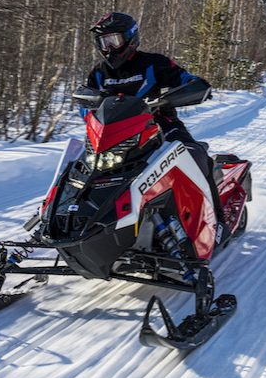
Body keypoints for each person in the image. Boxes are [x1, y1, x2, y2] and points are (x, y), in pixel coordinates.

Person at [85, 12, 227, 239]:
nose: (109, 48)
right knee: (82, 170)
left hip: (160, 125)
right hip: (115, 135)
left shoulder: (154, 63)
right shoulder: (99, 73)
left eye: (113, 40)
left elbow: (187, 81)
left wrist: (190, 89)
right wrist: (90, 114)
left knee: (197, 156)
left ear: (129, 38)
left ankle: (219, 220)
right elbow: (86, 103)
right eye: (104, 42)